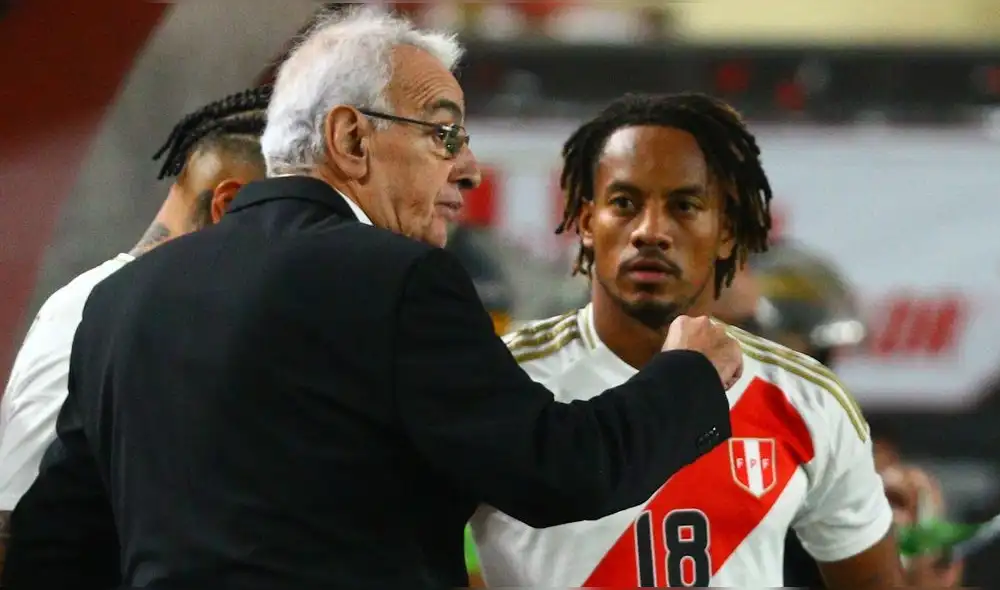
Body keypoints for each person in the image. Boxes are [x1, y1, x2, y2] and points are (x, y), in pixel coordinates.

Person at [4, 9, 741, 589]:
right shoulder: (397, 280)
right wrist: (688, 376)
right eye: (444, 133)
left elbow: (56, 546)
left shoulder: (122, 299)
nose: (470, 168)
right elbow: (560, 469)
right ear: (351, 138)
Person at [469, 93, 903, 588]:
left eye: (684, 206)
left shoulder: (807, 398)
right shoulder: (498, 378)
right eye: (625, 204)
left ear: (724, 232)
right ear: (588, 224)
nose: (651, 231)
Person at [0, 86, 269, 579]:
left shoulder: (159, 316)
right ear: (228, 207)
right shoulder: (94, 315)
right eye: (292, 215)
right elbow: (20, 521)